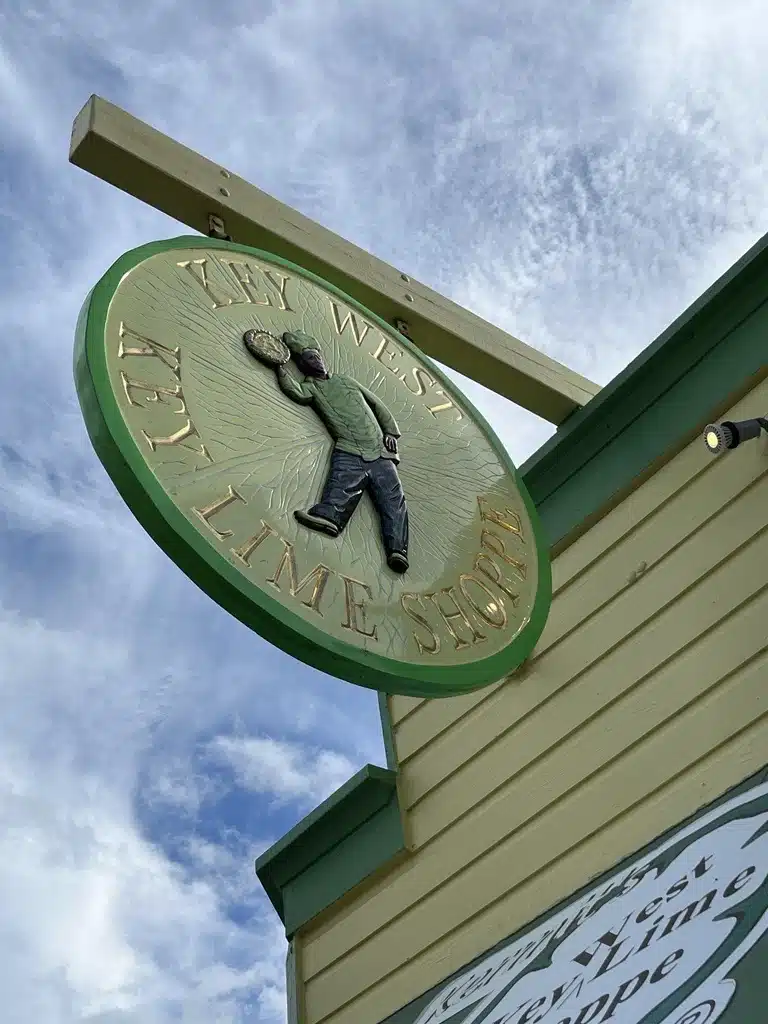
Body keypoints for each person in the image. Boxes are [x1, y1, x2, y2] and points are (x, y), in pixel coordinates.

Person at [270, 330, 409, 574]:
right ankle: (330, 518)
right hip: (348, 448)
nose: (315, 361)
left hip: (378, 449)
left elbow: (376, 404)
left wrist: (390, 432)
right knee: (341, 486)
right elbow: (296, 392)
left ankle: (398, 549)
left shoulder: (346, 381)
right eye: (308, 359)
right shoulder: (311, 387)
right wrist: (279, 367)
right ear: (302, 365)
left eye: (316, 356)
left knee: (393, 499)